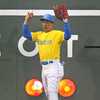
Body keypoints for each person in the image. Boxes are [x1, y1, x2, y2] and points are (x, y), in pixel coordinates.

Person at [22, 11, 72, 100]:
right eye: (44, 22)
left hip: (54, 66)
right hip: (44, 67)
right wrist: (26, 20)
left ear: (52, 24)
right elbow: (26, 34)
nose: (45, 24)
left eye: (48, 22)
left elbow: (67, 36)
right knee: (48, 93)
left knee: (52, 93)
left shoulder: (57, 33)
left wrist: (65, 22)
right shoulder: (39, 35)